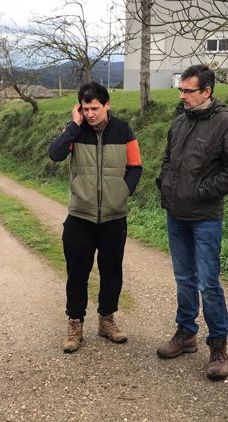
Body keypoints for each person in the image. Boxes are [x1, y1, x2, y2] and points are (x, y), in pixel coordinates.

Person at [156, 64, 228, 380]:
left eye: (188, 90)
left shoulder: (224, 123)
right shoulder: (179, 123)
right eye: (181, 90)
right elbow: (168, 160)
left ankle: (218, 347)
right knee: (183, 277)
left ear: (206, 91)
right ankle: (185, 335)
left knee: (208, 283)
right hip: (176, 215)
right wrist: (165, 184)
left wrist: (202, 191)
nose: (182, 96)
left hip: (205, 218)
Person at [48, 81, 143, 353]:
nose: (90, 114)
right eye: (85, 108)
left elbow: (135, 167)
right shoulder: (76, 132)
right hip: (80, 216)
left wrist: (122, 192)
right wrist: (74, 125)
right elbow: (54, 155)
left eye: (95, 108)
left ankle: (107, 320)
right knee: (77, 272)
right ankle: (75, 323)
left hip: (114, 216)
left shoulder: (124, 130)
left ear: (107, 105)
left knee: (112, 271)